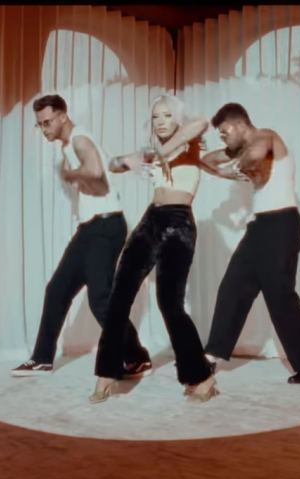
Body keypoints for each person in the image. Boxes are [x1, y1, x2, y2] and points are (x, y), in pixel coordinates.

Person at [11, 94, 152, 378]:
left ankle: (137, 357)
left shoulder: (78, 139)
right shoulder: (73, 142)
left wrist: (71, 175)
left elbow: (95, 171)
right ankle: (41, 359)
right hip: (91, 228)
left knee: (100, 299)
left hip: (104, 227)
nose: (44, 129)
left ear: (62, 116)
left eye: (47, 122)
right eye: (40, 124)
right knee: (57, 290)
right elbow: (105, 168)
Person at [90, 94, 218, 403]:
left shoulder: (189, 142)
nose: (160, 122)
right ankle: (106, 374)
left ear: (177, 118)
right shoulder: (151, 150)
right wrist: (128, 160)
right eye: (155, 117)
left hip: (179, 223)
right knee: (119, 295)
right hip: (151, 221)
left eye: (167, 115)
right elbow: (112, 165)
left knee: (169, 303)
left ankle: (201, 377)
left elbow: (202, 122)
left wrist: (162, 151)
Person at [199, 103, 300, 384]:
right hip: (259, 227)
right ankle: (210, 356)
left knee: (279, 295)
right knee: (233, 287)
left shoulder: (267, 136)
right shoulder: (239, 150)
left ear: (239, 125)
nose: (223, 139)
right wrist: (225, 170)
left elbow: (255, 161)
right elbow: (206, 160)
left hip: (282, 224)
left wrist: (233, 165)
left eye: (225, 132)